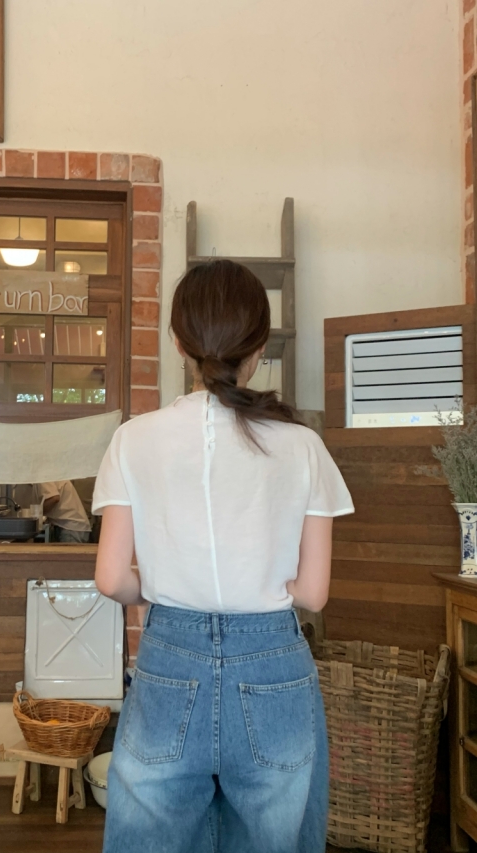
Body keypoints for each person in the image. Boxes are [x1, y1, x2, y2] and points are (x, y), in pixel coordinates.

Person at [91, 259, 354, 853]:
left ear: (178, 343)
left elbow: (110, 579)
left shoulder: (133, 439)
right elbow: (313, 595)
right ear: (259, 347)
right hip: (273, 666)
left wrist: (157, 587)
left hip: (169, 659)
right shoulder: (303, 446)